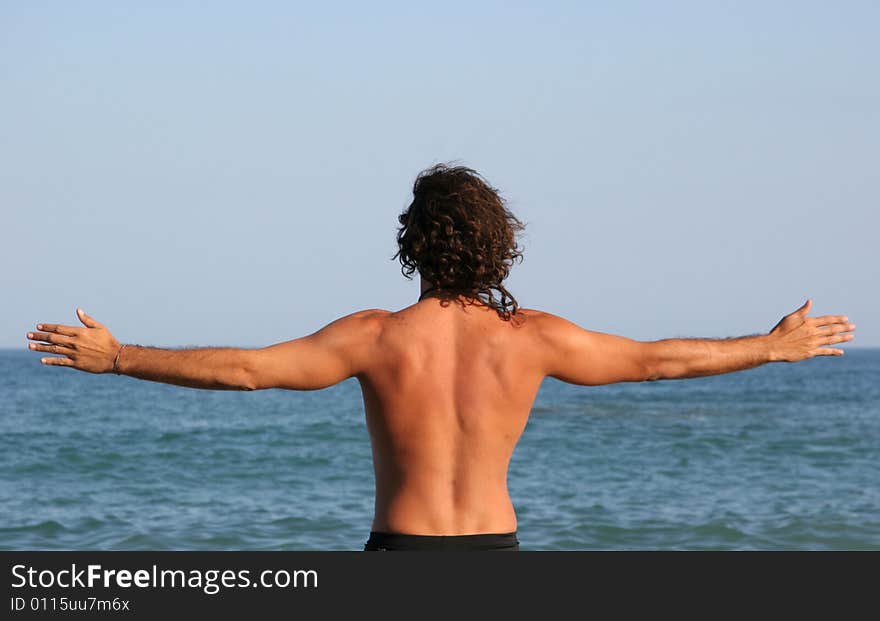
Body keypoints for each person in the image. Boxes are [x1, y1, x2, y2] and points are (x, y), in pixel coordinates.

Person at [26, 164, 856, 551]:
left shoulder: (376, 337)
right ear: (497, 247)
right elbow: (654, 362)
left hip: (399, 552)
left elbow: (247, 370)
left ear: (413, 245)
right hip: (495, 550)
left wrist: (120, 356)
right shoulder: (533, 339)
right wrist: (769, 347)